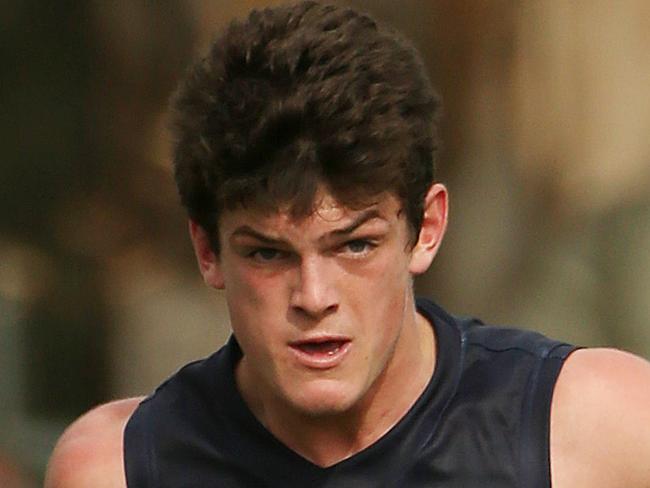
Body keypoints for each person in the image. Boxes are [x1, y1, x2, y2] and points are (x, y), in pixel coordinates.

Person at [45, 2, 650, 487]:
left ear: (427, 228)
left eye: (354, 246)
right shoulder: (117, 469)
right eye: (268, 253)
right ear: (207, 251)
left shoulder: (593, 430)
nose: (314, 296)